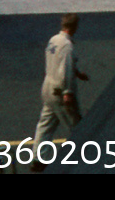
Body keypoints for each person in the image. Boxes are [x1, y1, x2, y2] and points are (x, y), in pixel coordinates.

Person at [32, 13, 88, 153]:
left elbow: (56, 62)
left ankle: (38, 158)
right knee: (75, 124)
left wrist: (78, 73)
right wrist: (68, 92)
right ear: (74, 27)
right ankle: (82, 156)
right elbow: (66, 68)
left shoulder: (53, 40)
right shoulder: (67, 45)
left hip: (47, 88)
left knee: (45, 125)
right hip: (59, 90)